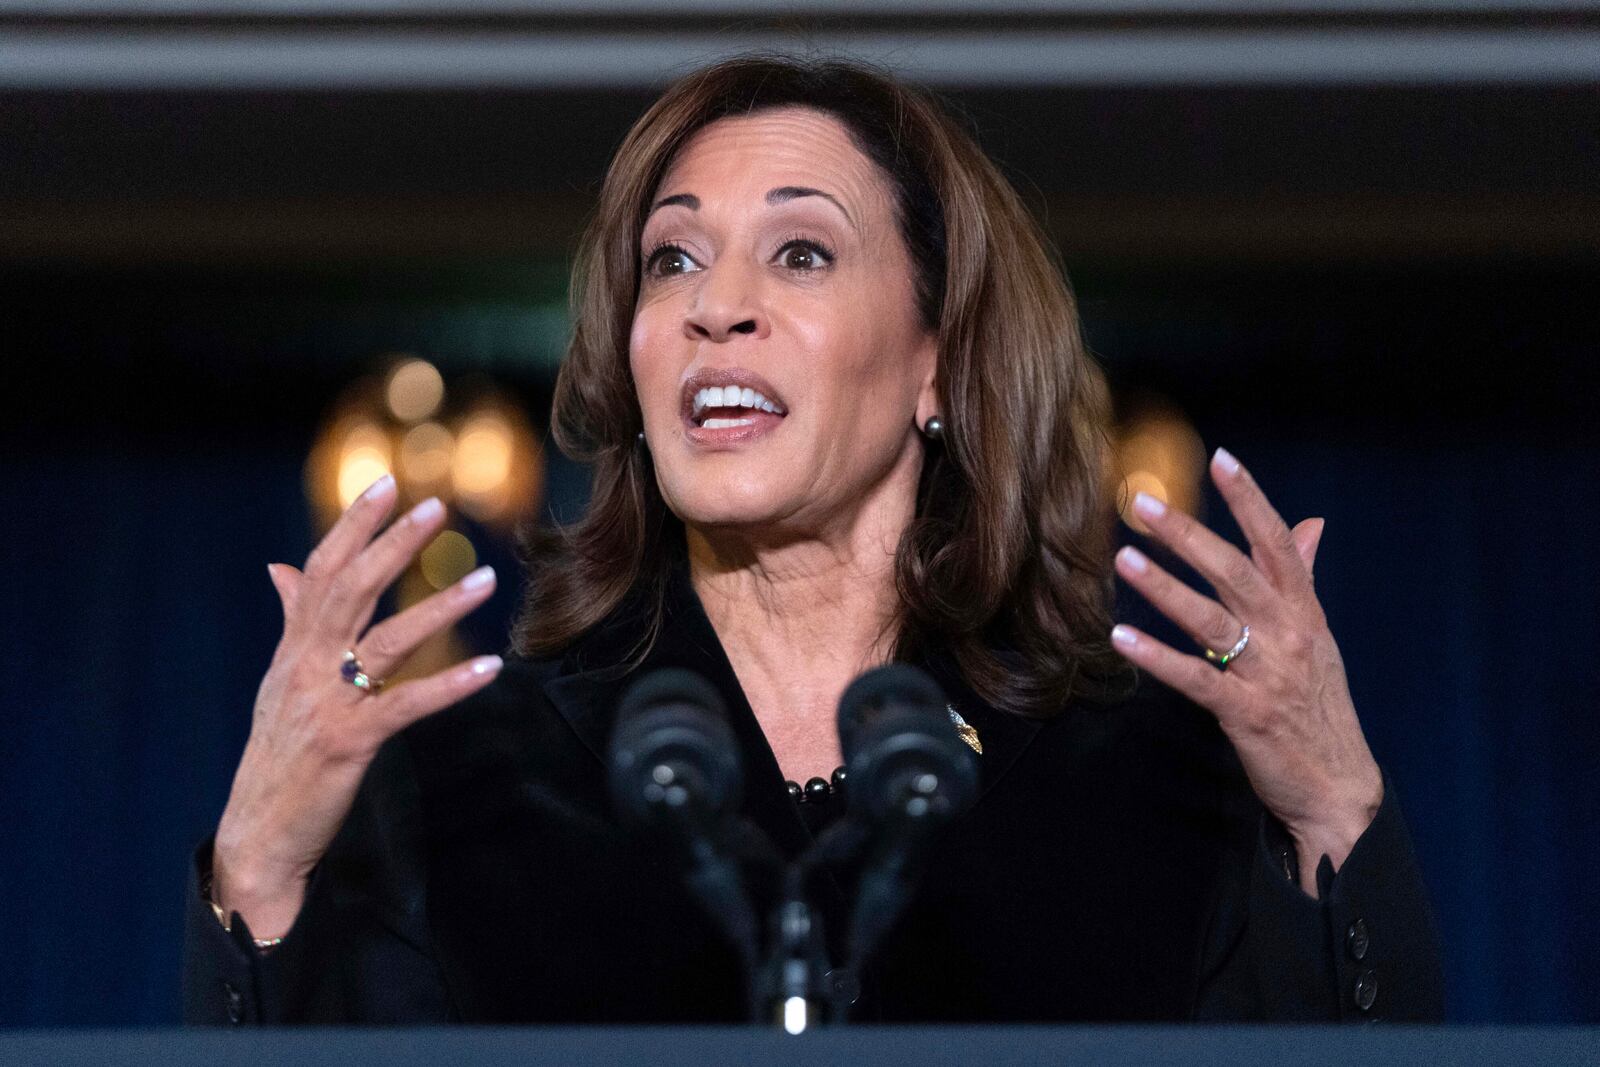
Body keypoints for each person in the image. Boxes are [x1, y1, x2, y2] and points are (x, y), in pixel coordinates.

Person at [184, 54, 1444, 1024]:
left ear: (937, 358)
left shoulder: (1140, 770)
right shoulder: (468, 777)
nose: (714, 307)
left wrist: (1332, 804)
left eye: (799, 251)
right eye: (670, 259)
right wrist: (261, 873)